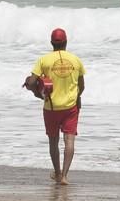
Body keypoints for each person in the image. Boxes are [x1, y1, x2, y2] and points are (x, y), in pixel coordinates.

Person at [23, 28, 85, 185]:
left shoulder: (43, 60)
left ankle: (57, 173)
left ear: (51, 42)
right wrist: (76, 98)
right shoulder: (75, 59)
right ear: (66, 42)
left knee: (53, 141)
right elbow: (82, 86)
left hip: (50, 107)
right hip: (70, 107)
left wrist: (37, 93)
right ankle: (64, 176)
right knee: (69, 140)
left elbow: (31, 82)